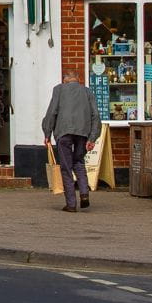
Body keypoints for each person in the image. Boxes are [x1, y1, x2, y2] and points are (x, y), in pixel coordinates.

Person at [42, 70, 101, 213]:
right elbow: (95, 115)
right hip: (82, 133)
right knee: (79, 162)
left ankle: (71, 204)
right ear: (78, 79)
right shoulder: (87, 92)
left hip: (64, 132)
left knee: (66, 168)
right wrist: (92, 137)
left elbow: (52, 112)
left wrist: (47, 133)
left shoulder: (59, 90)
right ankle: (84, 193)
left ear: (65, 80)